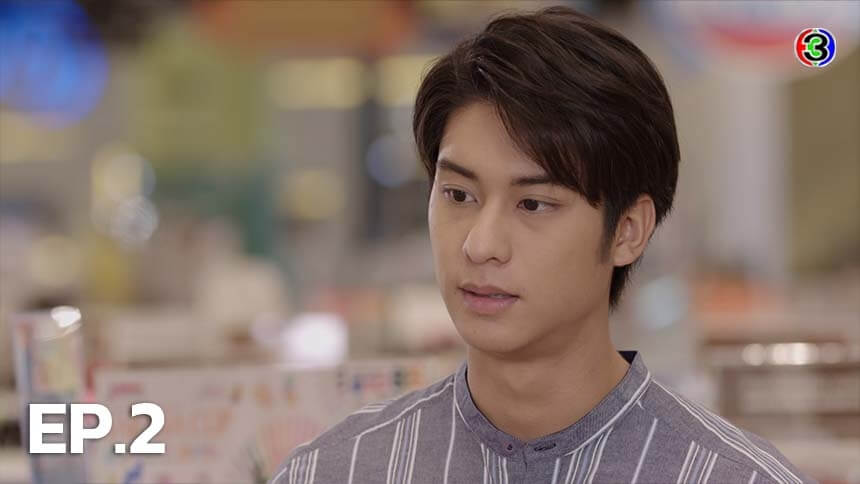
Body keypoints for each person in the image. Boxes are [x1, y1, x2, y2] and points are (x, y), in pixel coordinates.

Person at [269, 6, 813, 484]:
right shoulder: (336, 471)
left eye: (532, 204)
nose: (481, 245)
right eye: (459, 194)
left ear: (628, 230)